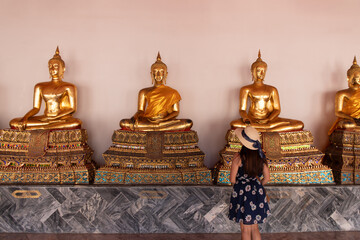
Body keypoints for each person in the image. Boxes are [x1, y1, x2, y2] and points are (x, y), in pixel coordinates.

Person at [10, 47, 82, 130]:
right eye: (50, 66)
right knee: (14, 122)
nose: (52, 69)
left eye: (55, 66)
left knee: (76, 122)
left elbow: (72, 109)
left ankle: (40, 128)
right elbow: (36, 108)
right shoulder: (40, 86)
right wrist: (25, 118)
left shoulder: (69, 87)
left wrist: (55, 118)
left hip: (60, 119)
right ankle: (45, 127)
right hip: (45, 118)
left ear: (63, 69)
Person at [230, 51, 304, 132]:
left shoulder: (272, 89)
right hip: (252, 120)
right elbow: (242, 110)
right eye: (258, 70)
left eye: (264, 71)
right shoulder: (246, 89)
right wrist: (246, 119)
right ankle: (267, 129)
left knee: (299, 124)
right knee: (234, 124)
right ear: (253, 72)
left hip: (270, 121)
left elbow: (277, 110)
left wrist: (268, 119)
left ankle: (262, 129)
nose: (262, 73)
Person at [120, 52, 192, 131]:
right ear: (151, 74)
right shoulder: (143, 92)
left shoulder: (173, 92)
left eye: (161, 72)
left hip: (165, 121)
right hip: (148, 121)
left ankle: (157, 127)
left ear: (166, 74)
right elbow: (140, 111)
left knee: (188, 122)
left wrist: (164, 119)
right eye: (155, 72)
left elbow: (176, 112)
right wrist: (135, 117)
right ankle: (157, 127)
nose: (158, 74)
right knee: (123, 122)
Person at [229, 126, 270, 240]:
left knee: (245, 229)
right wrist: (257, 185)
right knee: (254, 228)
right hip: (257, 192)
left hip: (242, 193)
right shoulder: (261, 157)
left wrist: (242, 184)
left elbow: (232, 179)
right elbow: (267, 178)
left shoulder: (238, 157)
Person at [328, 56, 360, 134]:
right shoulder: (341, 93)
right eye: (357, 77)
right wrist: (352, 118)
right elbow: (338, 112)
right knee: (346, 125)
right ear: (350, 78)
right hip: (349, 120)